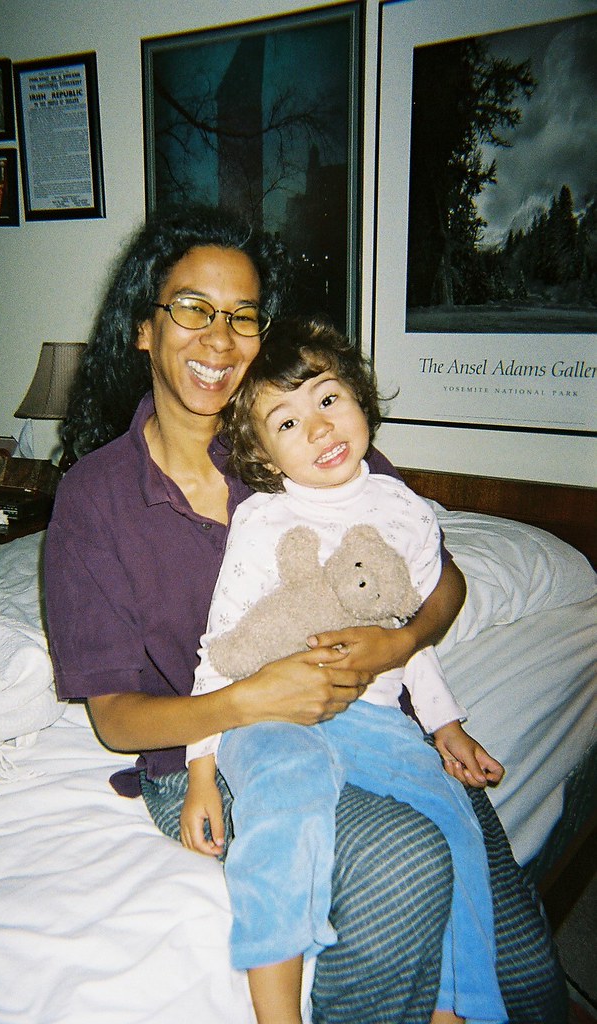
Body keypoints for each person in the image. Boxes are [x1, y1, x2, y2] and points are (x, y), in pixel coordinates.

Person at [44, 204, 567, 1024]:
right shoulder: (95, 499)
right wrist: (248, 703)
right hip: (210, 747)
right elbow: (116, 719)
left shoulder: (295, 437)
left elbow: (442, 580)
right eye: (191, 308)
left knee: (524, 975)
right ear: (143, 328)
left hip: (371, 720)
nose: (218, 339)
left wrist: (398, 643)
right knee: (404, 864)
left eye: (242, 315)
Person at [182, 318, 507, 1024]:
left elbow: (410, 632)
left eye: (328, 400)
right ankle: (277, 1014)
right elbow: (220, 648)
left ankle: (458, 1007)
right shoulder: (263, 521)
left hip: (373, 716)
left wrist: (445, 723)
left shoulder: (404, 510)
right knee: (284, 799)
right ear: (263, 455)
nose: (319, 428)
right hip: (269, 711)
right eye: (287, 422)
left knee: (455, 818)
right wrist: (201, 773)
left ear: (358, 399)